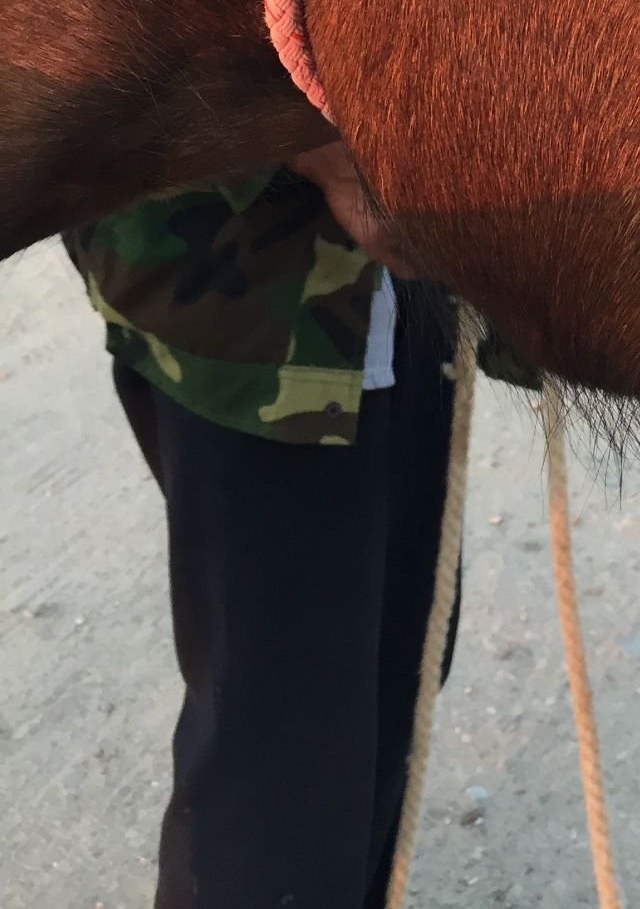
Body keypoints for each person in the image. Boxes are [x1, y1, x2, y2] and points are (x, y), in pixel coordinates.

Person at [64, 144, 458, 909]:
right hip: (248, 313)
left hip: (396, 284)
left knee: (395, 672)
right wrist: (317, 139)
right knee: (282, 759)